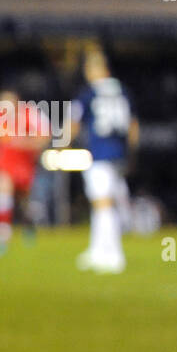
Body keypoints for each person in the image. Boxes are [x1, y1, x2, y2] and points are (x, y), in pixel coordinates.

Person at [70, 48, 137, 274]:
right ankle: (98, 250)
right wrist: (130, 153)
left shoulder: (90, 93)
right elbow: (133, 126)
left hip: (100, 152)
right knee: (105, 203)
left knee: (103, 204)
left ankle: (114, 255)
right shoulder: (122, 90)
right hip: (119, 152)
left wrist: (61, 143)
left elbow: (74, 122)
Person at [0, 87, 49, 256]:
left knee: (24, 201)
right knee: (2, 189)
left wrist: (25, 143)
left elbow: (44, 137)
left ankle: (28, 224)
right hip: (4, 162)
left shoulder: (30, 113)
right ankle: (3, 236)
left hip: (25, 163)